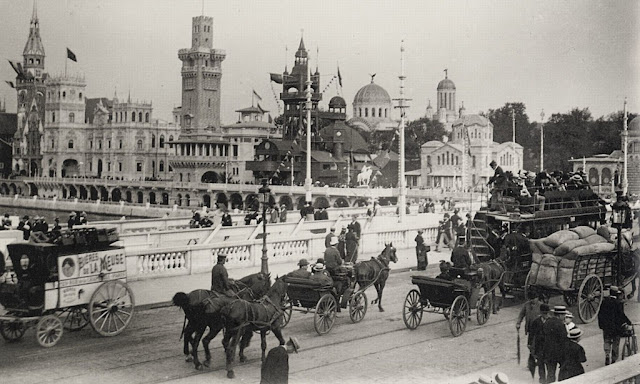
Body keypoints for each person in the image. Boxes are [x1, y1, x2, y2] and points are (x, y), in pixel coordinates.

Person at [598, 285, 631, 365]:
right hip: (616, 328)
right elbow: (621, 315)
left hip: (606, 327)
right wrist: (628, 322)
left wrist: (601, 325)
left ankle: (607, 354)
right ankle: (614, 358)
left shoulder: (604, 302)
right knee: (616, 342)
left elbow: (600, 314)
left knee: (607, 340)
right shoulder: (618, 303)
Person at [516, 294, 542, 372]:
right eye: (531, 299)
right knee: (530, 345)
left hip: (538, 330)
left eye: (534, 299)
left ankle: (532, 362)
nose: (532, 300)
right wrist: (518, 323)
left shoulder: (540, 305)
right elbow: (521, 314)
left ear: (537, 298)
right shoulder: (526, 305)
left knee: (534, 345)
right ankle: (536, 358)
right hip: (530, 329)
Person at [543, 305, 569, 383]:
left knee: (550, 373)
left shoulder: (547, 322)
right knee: (564, 372)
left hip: (548, 352)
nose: (564, 317)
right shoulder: (561, 325)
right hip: (559, 352)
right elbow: (563, 339)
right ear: (560, 315)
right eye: (564, 315)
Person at [529, 303, 550, 384]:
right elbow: (531, 334)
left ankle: (549, 380)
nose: (546, 315)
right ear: (541, 313)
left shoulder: (550, 321)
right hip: (539, 347)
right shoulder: (536, 322)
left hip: (548, 347)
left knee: (549, 365)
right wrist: (530, 343)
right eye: (544, 313)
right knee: (541, 365)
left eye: (547, 313)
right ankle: (542, 381)